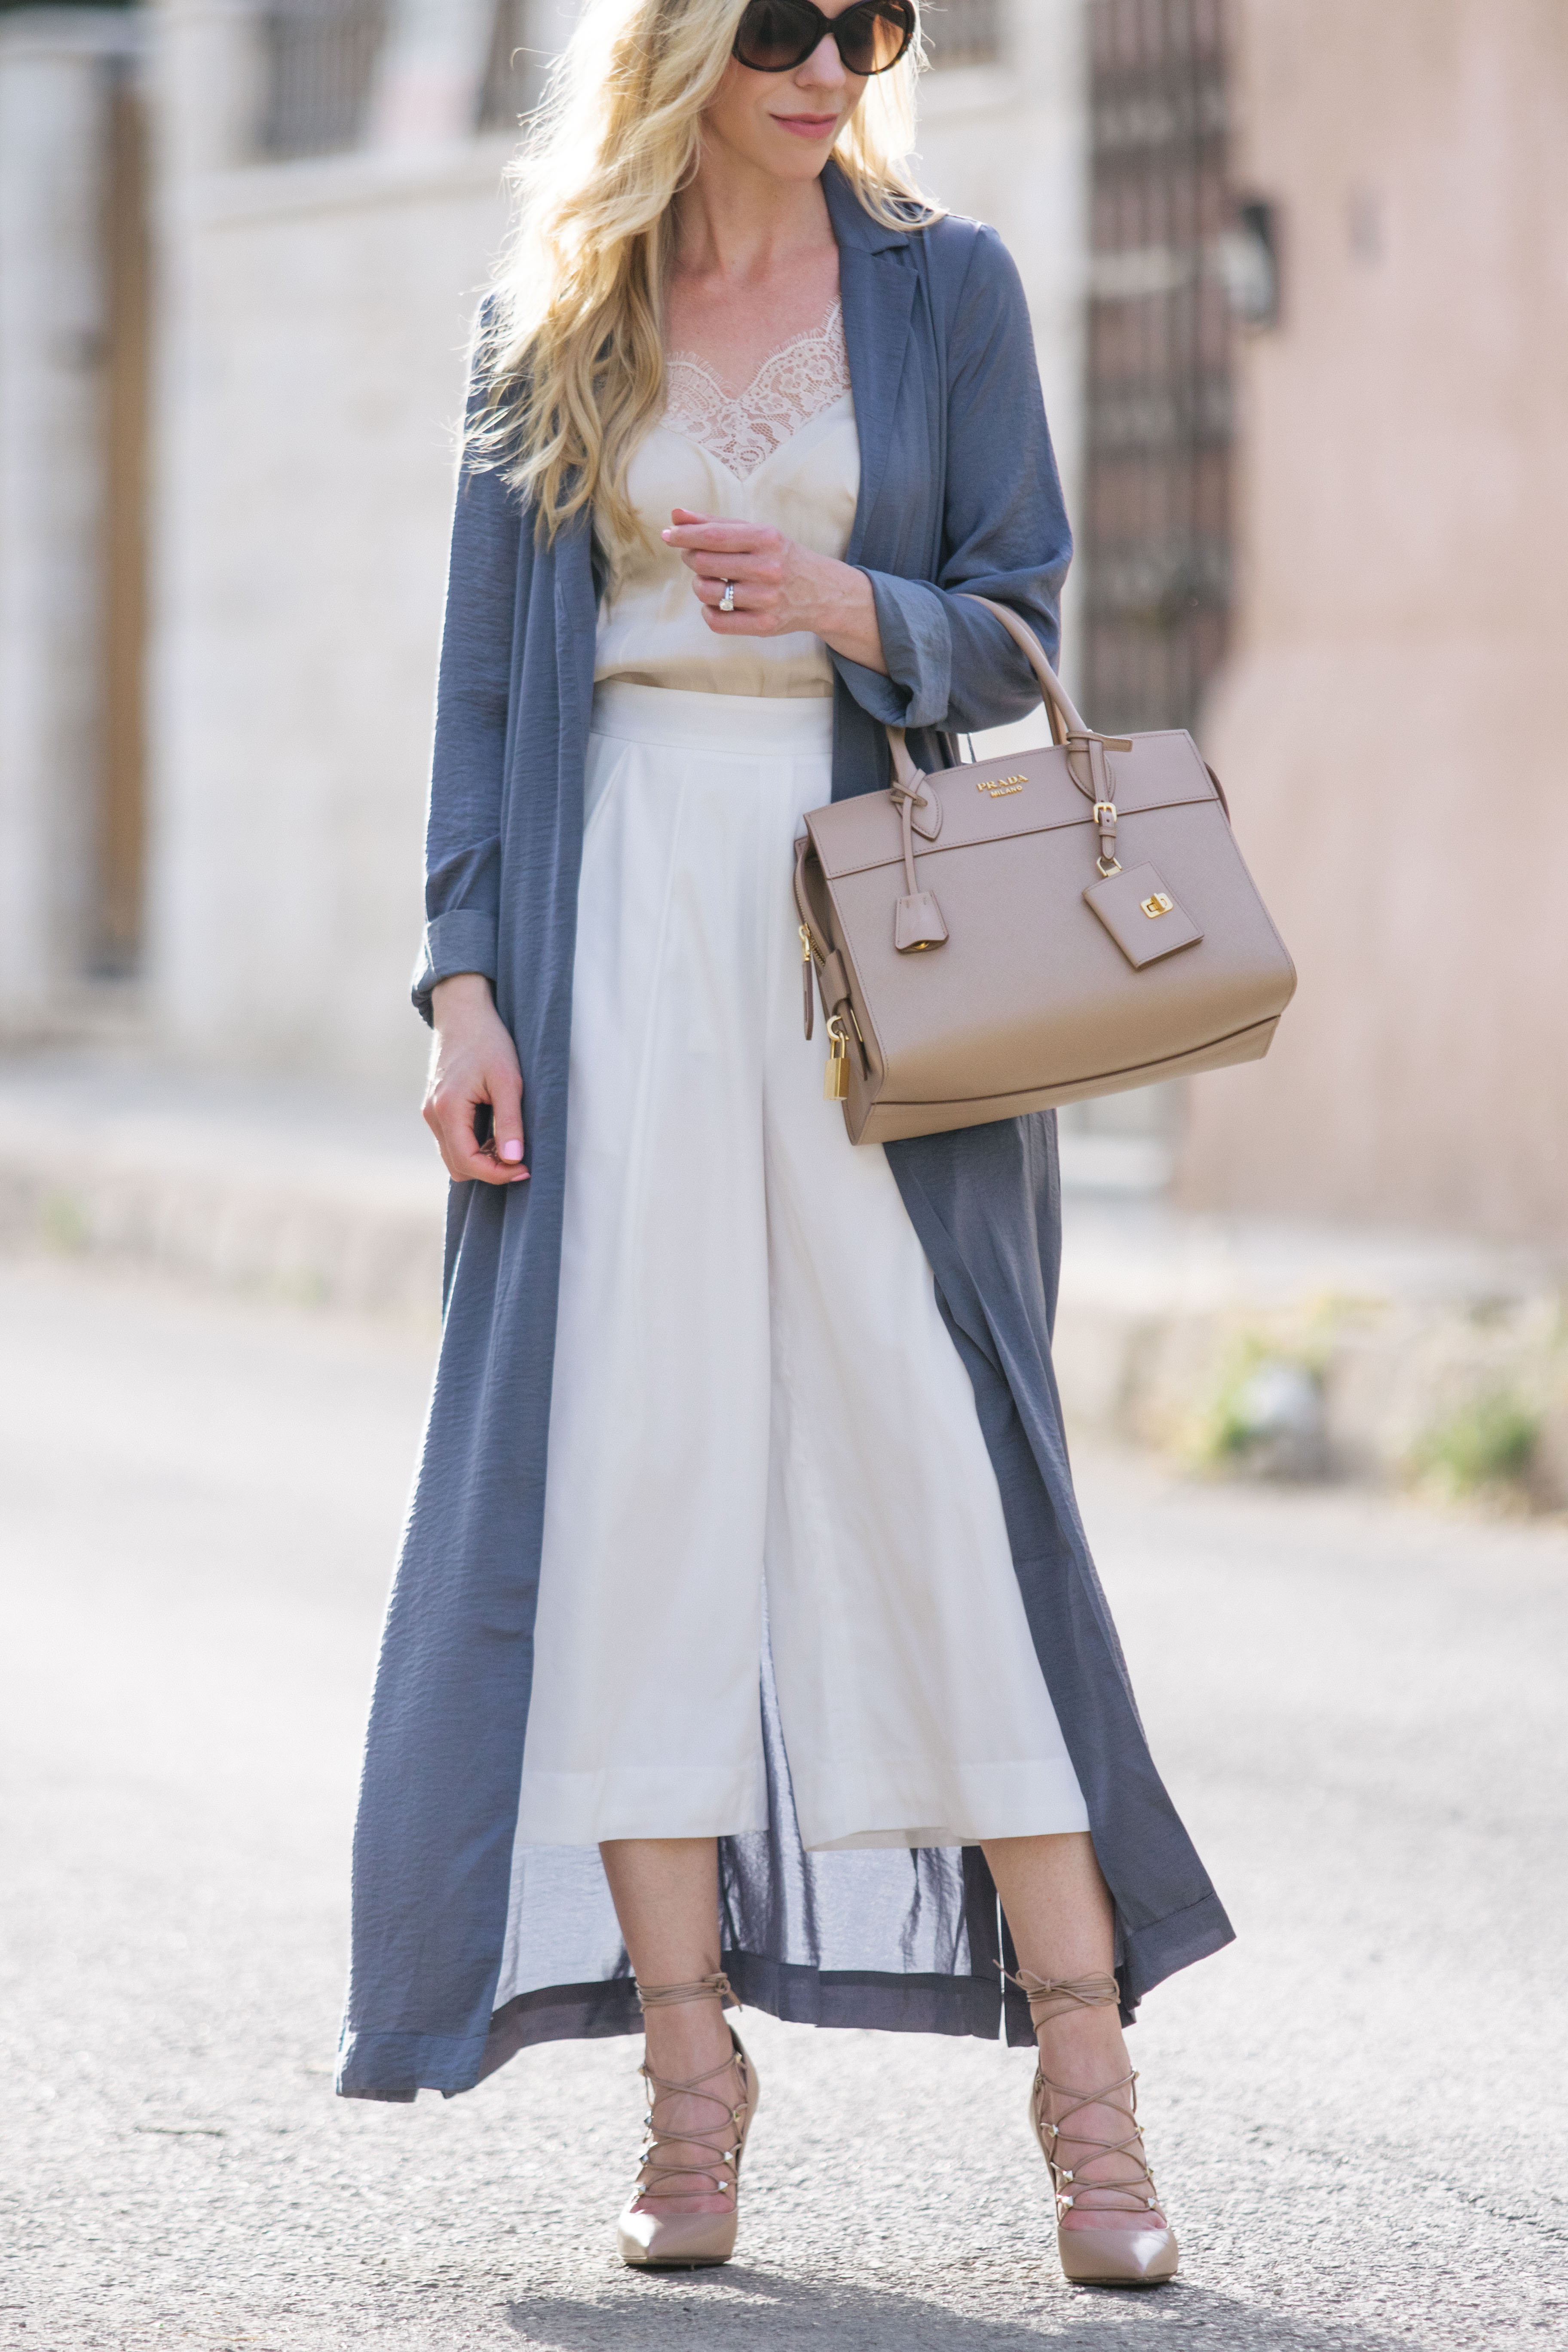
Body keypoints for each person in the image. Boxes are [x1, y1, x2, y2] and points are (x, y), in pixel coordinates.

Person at [337, 0, 1232, 2292]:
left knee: (935, 1464)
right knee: (636, 1483)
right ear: (674, 46)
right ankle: (688, 2098)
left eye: (875, 17)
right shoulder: (557, 311)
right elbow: (471, 693)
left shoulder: (954, 286)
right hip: (617, 923)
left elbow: (1030, 617)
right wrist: (465, 978)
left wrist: (863, 611)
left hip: (880, 952)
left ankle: (1093, 2109)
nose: (831, 57)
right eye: (779, 21)